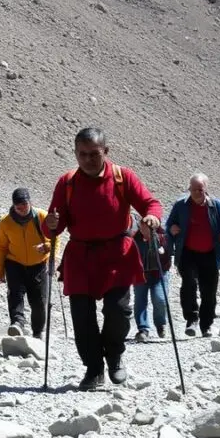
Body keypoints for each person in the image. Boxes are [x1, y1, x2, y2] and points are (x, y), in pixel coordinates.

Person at [43, 127, 163, 390]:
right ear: (75, 153)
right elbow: (54, 225)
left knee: (118, 311)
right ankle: (94, 369)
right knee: (82, 317)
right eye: (82, 154)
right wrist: (50, 223)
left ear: (106, 151)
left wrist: (152, 217)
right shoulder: (67, 183)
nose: (88, 159)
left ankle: (115, 355)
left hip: (117, 254)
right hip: (80, 257)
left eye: (94, 154)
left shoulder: (123, 177)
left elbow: (151, 203)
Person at [165, 173, 220, 338]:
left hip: (210, 253)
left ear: (206, 189)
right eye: (194, 189)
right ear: (189, 188)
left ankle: (206, 325)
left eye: (200, 189)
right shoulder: (181, 205)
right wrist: (172, 229)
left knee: (209, 291)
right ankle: (191, 319)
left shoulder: (217, 206)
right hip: (187, 252)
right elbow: (169, 224)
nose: (197, 192)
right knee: (188, 284)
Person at [0, 187, 51, 338]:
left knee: (39, 301)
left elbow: (54, 238)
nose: (22, 209)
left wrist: (47, 247)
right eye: (18, 207)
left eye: (24, 205)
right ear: (13, 206)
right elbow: (1, 246)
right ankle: (17, 324)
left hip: (38, 264)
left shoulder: (41, 216)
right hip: (14, 263)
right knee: (15, 294)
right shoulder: (6, 222)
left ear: (30, 202)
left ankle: (37, 332)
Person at [127, 210, 171, 342]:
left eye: (146, 228)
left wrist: (156, 243)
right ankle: (143, 329)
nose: (143, 230)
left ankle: (160, 324)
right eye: (142, 227)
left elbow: (168, 254)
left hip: (159, 274)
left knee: (160, 299)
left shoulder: (162, 237)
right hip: (141, 274)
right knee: (140, 301)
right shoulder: (135, 239)